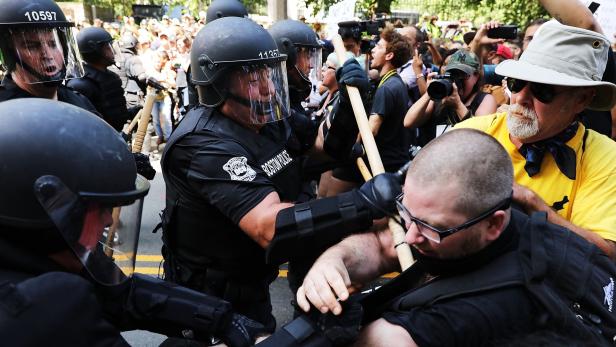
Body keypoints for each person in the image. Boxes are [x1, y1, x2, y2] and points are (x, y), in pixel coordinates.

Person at [160, 16, 394, 336]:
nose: (270, 87)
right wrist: (363, 204)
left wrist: (352, 102)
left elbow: (324, 150)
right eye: (253, 78)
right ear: (220, 82)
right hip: (205, 302)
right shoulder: (202, 143)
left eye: (269, 74)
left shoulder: (267, 120)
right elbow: (269, 226)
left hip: (252, 284)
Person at [294, 128, 606, 346]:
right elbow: (383, 244)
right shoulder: (503, 227)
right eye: (405, 212)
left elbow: (385, 339)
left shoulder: (477, 312)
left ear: (493, 225)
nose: (412, 236)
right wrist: (335, 263)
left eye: (431, 227)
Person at [0, 98, 268, 347]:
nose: (108, 219)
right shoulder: (42, 309)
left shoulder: (39, 258)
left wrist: (225, 318)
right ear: (45, 209)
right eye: (98, 208)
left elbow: (120, 293)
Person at [457, 19, 616, 259]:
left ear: (582, 99)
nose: (520, 98)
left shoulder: (605, 157)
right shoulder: (468, 135)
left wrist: (533, 205)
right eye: (516, 83)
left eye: (543, 90)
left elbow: (604, 254)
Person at [325, 26, 412, 197]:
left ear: (389, 55)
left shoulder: (387, 88)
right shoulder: (395, 82)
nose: (373, 49)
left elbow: (370, 130)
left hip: (381, 164)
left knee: (329, 194)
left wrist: (351, 144)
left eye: (379, 46)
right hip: (392, 161)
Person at [0, 0, 94, 112]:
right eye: (31, 46)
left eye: (54, 44)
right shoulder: (5, 111)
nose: (48, 55)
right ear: (9, 55)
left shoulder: (78, 100)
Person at [404, 49, 497, 137]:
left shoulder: (485, 100)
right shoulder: (441, 95)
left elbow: (480, 135)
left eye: (463, 74)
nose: (457, 79)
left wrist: (458, 105)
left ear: (476, 76)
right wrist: (430, 92)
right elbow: (408, 122)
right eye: (453, 73)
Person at [67, 26, 130, 131]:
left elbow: (112, 112)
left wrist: (130, 113)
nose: (112, 51)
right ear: (96, 51)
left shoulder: (110, 76)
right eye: (107, 47)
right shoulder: (80, 85)